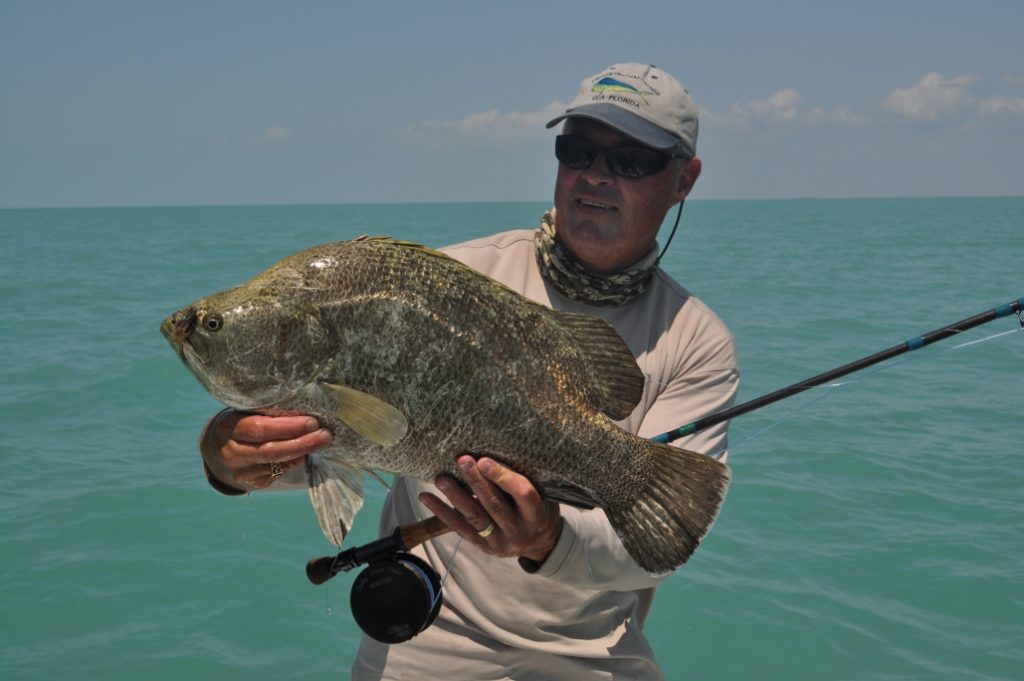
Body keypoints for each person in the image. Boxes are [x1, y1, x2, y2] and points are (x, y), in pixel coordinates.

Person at [199, 63, 739, 680]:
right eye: (577, 149)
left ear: (683, 180)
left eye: (630, 161)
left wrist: (545, 539)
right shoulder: (449, 281)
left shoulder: (697, 340)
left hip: (591, 659)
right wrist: (231, 459)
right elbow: (343, 440)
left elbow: (651, 553)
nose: (595, 175)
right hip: (424, 647)